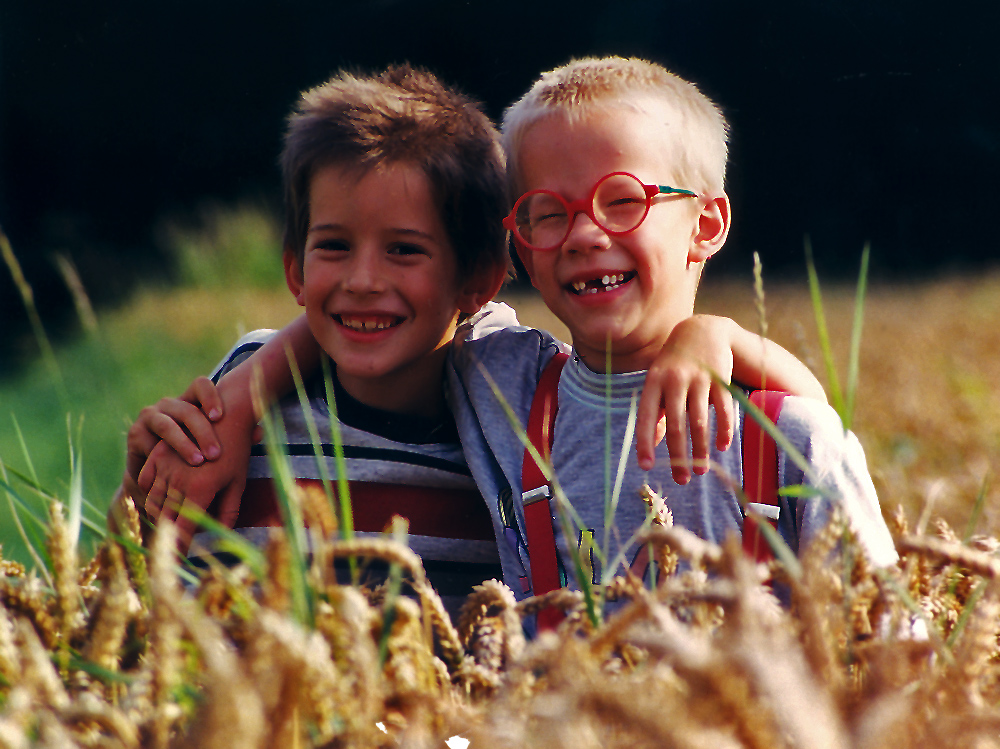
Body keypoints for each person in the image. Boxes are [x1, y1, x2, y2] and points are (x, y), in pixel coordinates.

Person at [121, 60, 836, 618]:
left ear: (480, 283)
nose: (365, 280)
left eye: (404, 250)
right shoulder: (253, 378)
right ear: (293, 269)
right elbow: (141, 555)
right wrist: (231, 406)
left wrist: (713, 336)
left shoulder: (500, 387)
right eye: (334, 246)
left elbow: (810, 429)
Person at [442, 56, 897, 614]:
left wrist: (717, 333)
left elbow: (888, 644)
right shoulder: (501, 384)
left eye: (624, 201)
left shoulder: (786, 438)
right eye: (548, 213)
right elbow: (380, 310)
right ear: (522, 244)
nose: (584, 234)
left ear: (706, 225)